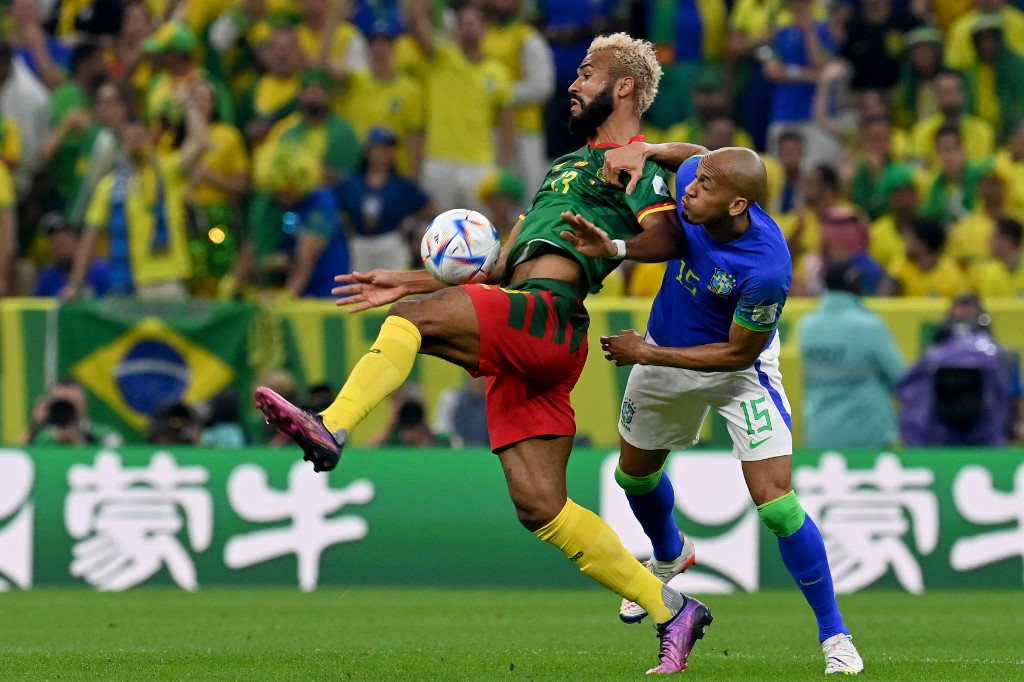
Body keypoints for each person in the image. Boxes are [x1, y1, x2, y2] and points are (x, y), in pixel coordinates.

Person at [254, 32, 712, 675]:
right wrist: (408, 279)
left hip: (547, 316)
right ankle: (672, 610)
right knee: (540, 506)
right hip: (530, 327)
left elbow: (669, 230)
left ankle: (331, 426)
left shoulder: (637, 162)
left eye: (587, 72)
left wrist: (616, 238)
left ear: (625, 86)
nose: (574, 83)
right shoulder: (564, 168)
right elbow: (498, 266)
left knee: (411, 325)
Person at [572, 137, 864, 675]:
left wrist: (646, 352)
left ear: (736, 205)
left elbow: (736, 353)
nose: (690, 188)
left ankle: (835, 636)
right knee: (633, 478)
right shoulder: (696, 181)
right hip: (664, 353)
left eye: (705, 185)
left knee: (777, 505)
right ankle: (668, 555)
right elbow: (691, 156)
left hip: (737, 372)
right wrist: (649, 152)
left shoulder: (766, 269)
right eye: (696, 178)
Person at [798, 259, 905, 448]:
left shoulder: (807, 326)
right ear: (852, 284)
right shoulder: (869, 326)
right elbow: (900, 377)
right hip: (868, 434)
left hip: (819, 432)